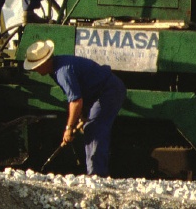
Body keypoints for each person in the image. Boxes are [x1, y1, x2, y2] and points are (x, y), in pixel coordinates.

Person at [24, 39, 126, 176]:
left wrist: (69, 128)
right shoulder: (58, 67)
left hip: (108, 90)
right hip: (98, 92)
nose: (35, 70)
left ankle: (96, 176)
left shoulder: (62, 72)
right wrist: (83, 115)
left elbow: (76, 101)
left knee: (94, 128)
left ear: (44, 62)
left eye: (36, 66)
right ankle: (95, 173)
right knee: (90, 127)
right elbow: (81, 91)